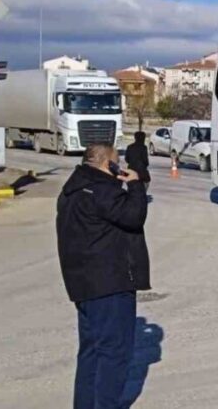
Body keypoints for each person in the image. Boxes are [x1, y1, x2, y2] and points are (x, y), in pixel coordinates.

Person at [56, 144, 150, 409]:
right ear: (107, 164)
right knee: (114, 354)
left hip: (83, 285)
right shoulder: (103, 190)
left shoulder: (71, 189)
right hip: (109, 284)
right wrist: (135, 185)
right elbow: (134, 217)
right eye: (116, 161)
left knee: (91, 352)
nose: (119, 166)